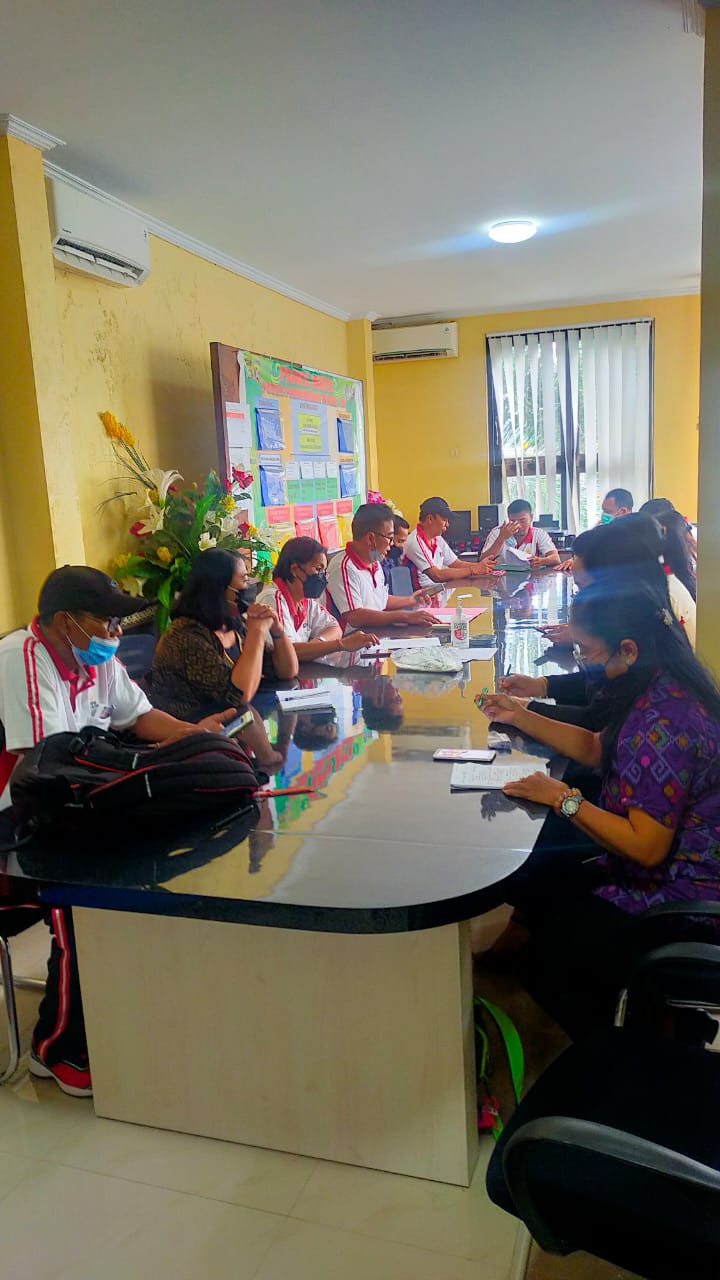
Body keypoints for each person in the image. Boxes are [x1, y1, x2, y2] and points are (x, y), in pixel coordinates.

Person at [0, 566, 241, 1097]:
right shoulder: (20, 658)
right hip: (19, 822)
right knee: (87, 893)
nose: (115, 633)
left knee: (158, 860)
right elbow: (49, 764)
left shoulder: (97, 658)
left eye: (117, 623)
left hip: (72, 805)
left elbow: (141, 718)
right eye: (104, 621)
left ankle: (127, 1008)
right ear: (64, 622)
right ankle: (57, 1046)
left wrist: (198, 741)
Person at [479, 582, 720, 1039]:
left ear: (627, 649)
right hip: (668, 866)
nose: (585, 663)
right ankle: (661, 1016)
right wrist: (520, 714)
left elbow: (646, 847)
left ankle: (643, 1045)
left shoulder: (667, 721)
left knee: (548, 959)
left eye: (588, 653)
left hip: (684, 893)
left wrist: (563, 798)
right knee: (546, 880)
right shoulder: (657, 685)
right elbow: (597, 747)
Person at [151, 549, 298, 720]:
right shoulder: (185, 637)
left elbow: (288, 671)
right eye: (244, 580)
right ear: (218, 587)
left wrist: (277, 630)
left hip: (232, 722)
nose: (249, 587)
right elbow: (239, 695)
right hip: (192, 728)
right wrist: (257, 632)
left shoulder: (233, 624)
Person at [532, 513, 696, 653]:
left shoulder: (655, 596)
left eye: (584, 586)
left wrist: (582, 637)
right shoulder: (645, 585)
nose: (580, 596)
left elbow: (633, 656)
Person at [256, 537, 378, 661]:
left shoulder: (306, 600)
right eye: (318, 569)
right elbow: (289, 653)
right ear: (295, 570)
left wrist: (317, 645)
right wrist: (341, 645)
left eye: (324, 571)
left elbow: (335, 628)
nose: (323, 577)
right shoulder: (272, 599)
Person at [326, 502, 437, 631]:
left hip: (375, 634)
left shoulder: (375, 561)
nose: (391, 545)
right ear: (371, 538)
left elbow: (380, 600)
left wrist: (411, 600)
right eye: (389, 538)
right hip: (352, 640)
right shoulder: (343, 567)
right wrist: (404, 616)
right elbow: (355, 616)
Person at [402, 497, 496, 587]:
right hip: (423, 594)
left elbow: (456, 564)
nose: (447, 524)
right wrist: (473, 570)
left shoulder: (437, 538)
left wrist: (482, 567)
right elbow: (437, 575)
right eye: (444, 520)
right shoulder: (415, 542)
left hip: (438, 590)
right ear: (430, 518)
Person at [481, 499, 560, 568]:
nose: (518, 525)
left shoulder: (539, 534)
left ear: (531, 517)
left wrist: (542, 561)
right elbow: (482, 560)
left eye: (522, 521)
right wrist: (501, 538)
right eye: (513, 521)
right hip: (500, 577)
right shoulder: (497, 532)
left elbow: (555, 558)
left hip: (530, 577)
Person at [383, 516, 410, 586]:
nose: (402, 545)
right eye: (400, 541)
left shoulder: (395, 559)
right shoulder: (377, 562)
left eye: (404, 542)